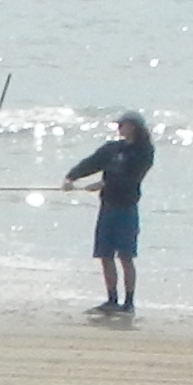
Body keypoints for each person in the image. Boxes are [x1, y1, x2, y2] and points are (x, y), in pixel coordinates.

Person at [61, 112, 155, 316]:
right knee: (104, 255)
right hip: (107, 207)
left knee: (126, 256)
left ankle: (128, 303)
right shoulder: (113, 149)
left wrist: (103, 183)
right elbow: (92, 162)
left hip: (126, 207)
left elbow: (132, 176)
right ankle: (111, 299)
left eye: (123, 124)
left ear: (133, 127)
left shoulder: (143, 151)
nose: (119, 128)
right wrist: (71, 177)